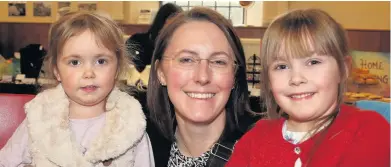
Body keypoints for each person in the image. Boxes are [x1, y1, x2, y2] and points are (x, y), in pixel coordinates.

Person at [226, 8, 390, 167]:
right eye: (282, 66)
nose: (296, 79)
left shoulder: (369, 130)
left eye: (313, 62)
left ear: (343, 69)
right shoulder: (254, 139)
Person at [0, 11, 154, 166]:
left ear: (118, 68)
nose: (88, 73)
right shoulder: (39, 119)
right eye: (75, 62)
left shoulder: (131, 126)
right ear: (56, 71)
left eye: (101, 61)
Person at [146, 7, 258, 167]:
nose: (203, 77)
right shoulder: (140, 150)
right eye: (186, 60)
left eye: (219, 62)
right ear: (161, 72)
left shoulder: (262, 152)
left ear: (234, 76)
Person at [126, 3, 182, 73]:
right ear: (161, 21)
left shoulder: (181, 46)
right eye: (172, 24)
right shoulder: (136, 41)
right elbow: (133, 70)